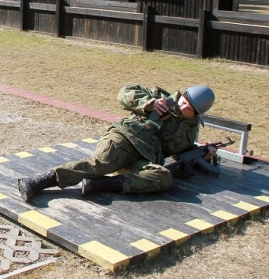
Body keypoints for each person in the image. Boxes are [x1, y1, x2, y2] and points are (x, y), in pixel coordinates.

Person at [17, 84, 216, 202]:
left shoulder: (191, 130)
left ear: (196, 115)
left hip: (145, 156)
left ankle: (104, 184)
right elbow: (124, 93)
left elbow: (181, 153)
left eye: (188, 108)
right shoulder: (160, 98)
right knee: (100, 165)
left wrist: (205, 153)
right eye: (184, 100)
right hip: (126, 138)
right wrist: (150, 103)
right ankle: (40, 181)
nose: (182, 106)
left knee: (164, 178)